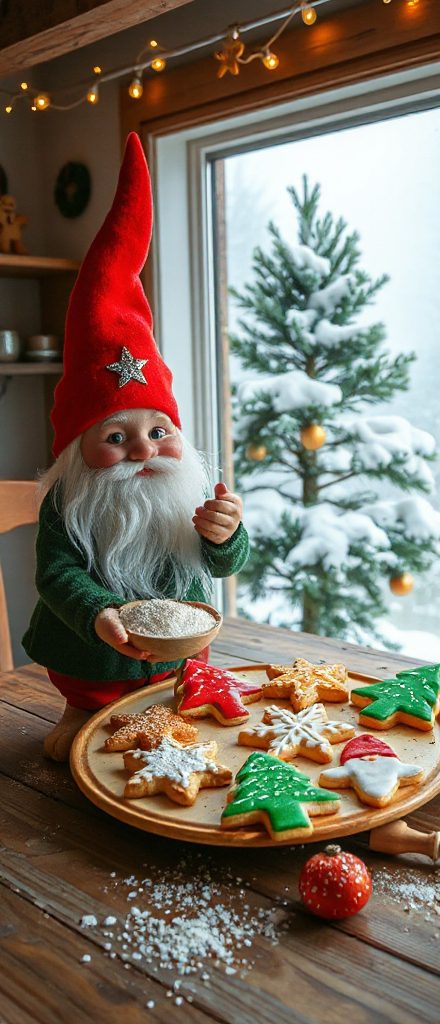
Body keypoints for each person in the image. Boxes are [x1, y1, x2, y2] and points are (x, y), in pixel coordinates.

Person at [22, 134, 249, 761]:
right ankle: (85, 716)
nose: (142, 450)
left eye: (159, 432)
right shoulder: (70, 502)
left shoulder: (189, 487)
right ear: (77, 448)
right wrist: (99, 615)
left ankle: (167, 713)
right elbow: (56, 573)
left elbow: (225, 565)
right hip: (89, 663)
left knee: (183, 721)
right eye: (115, 438)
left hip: (179, 666)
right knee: (84, 737)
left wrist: (226, 534)